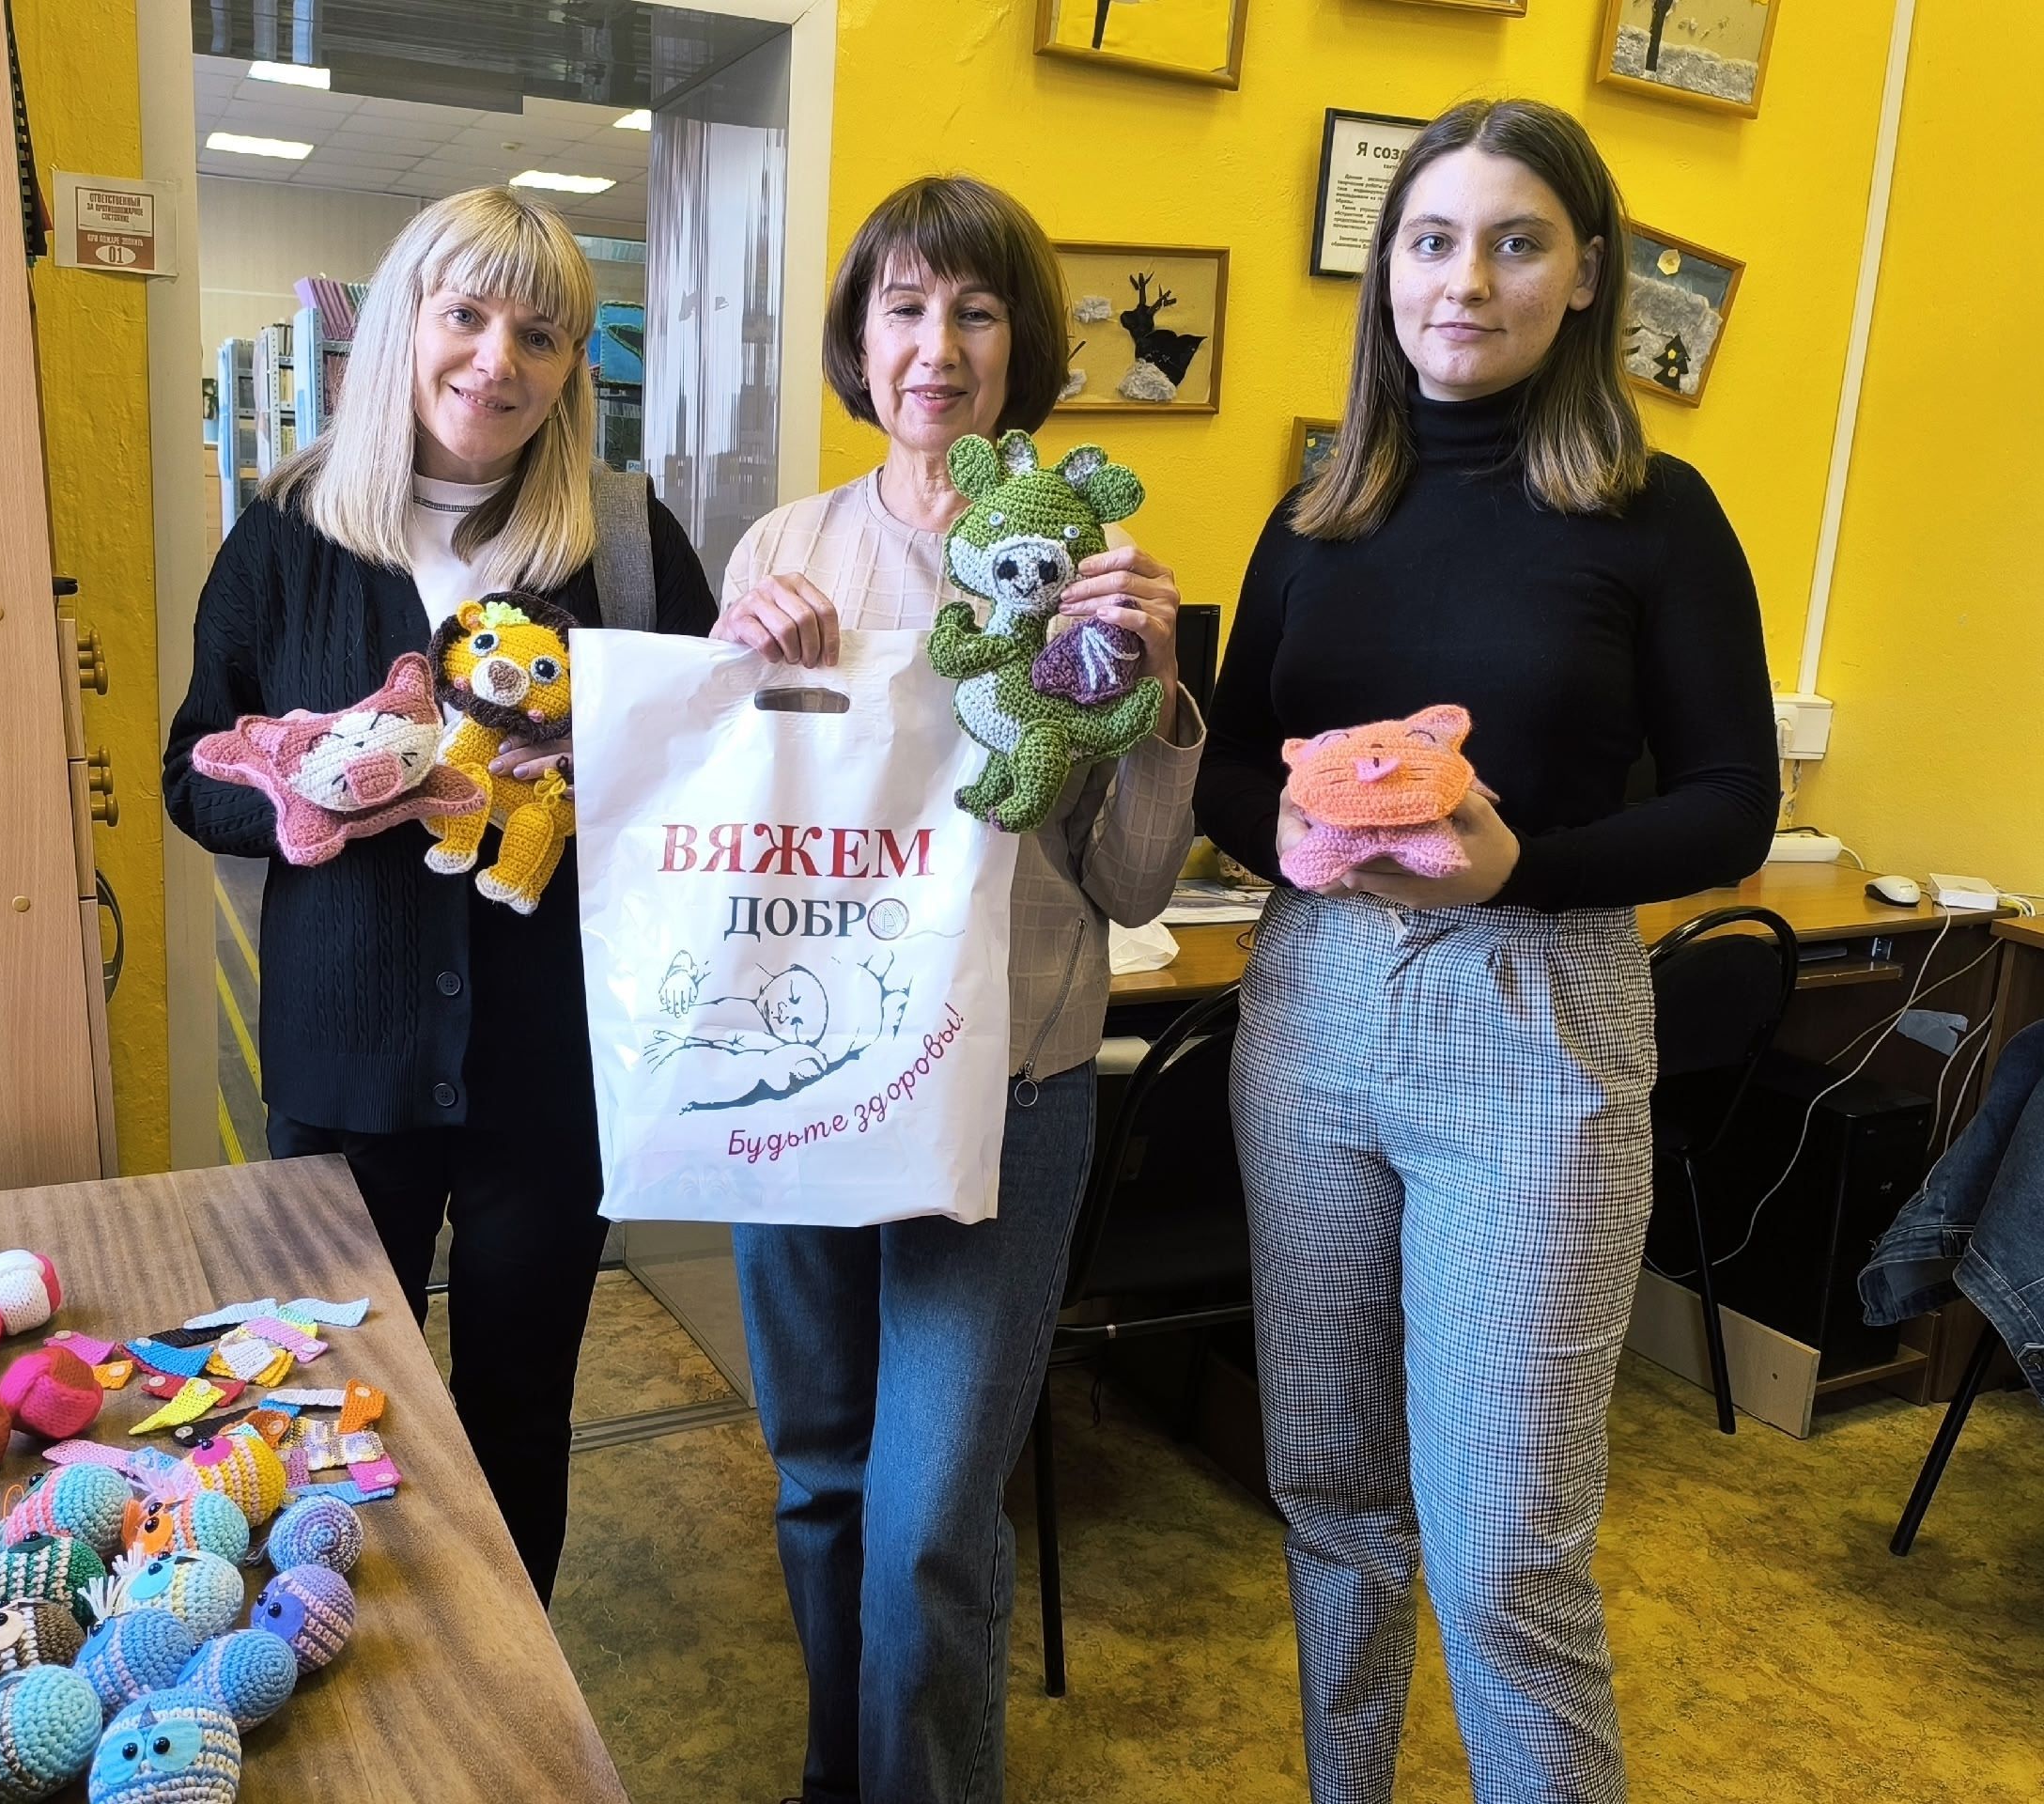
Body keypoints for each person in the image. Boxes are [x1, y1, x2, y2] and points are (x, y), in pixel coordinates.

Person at [1195, 100, 1779, 1802]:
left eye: (1517, 243)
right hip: (1311, 1024)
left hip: (1539, 1042)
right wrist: (1300, 830)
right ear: (1387, 269)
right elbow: (1230, 767)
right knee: (1331, 1494)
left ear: (1586, 274)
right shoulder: (1316, 514)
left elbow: (1735, 805)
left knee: (1509, 1543)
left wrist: (1525, 872)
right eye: (1433, 240)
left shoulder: (1656, 514)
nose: (1465, 281)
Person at [714, 174, 1204, 1804]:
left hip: (1011, 1085)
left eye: (977, 312)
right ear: (862, 341)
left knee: (928, 1516)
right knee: (819, 1476)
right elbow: (731, 831)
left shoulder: (1089, 567)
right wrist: (736, 665)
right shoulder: (787, 546)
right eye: (907, 308)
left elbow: (1135, 886)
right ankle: (836, 1776)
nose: (939, 347)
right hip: (802, 1076)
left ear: (1021, 344)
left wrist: (1162, 693)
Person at [163, 186, 717, 1606]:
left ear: (573, 366)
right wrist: (311, 792)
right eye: (465, 316)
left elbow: (716, 766)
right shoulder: (287, 536)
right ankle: (346, 1662)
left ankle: (510, 1688)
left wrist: (611, 764)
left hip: (557, 1074)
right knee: (331, 1418)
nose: (496, 361)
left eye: (540, 335)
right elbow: (192, 769)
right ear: (404, 324)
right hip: (347, 1069)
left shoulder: (625, 543)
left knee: (521, 1414)